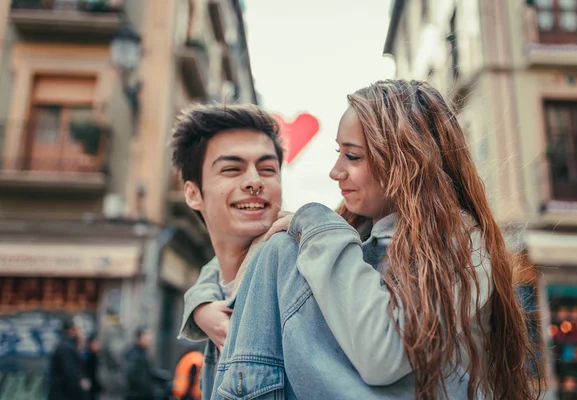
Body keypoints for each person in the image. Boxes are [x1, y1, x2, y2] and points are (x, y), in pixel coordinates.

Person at [190, 80, 544, 399]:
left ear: (406, 160)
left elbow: (383, 355)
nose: (336, 171)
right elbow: (253, 266)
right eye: (338, 153)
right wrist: (202, 302)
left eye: (353, 156)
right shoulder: (355, 236)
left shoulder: (458, 243)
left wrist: (314, 218)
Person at [171, 103, 285, 397]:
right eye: (232, 169)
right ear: (193, 193)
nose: (254, 182)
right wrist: (198, 305)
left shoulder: (304, 271)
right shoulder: (215, 286)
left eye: (267, 169)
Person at [47, 316, 87, 400]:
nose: (81, 332)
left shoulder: (69, 346)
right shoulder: (66, 348)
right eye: (78, 328)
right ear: (71, 330)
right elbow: (71, 375)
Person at [125, 327, 155, 400]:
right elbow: (131, 375)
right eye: (146, 336)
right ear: (140, 337)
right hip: (136, 395)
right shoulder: (134, 354)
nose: (149, 339)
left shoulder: (143, 352)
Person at [83, 333, 102, 400]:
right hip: (89, 389)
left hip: (96, 389)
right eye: (95, 344)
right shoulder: (87, 357)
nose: (98, 346)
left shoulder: (97, 356)